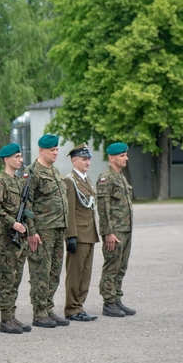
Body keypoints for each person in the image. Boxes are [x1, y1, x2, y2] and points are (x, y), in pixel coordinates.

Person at [0, 143, 32, 334]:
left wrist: (30, 231)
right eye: (17, 157)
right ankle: (5, 319)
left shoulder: (19, 182)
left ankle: (12, 316)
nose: (20, 160)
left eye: (21, 156)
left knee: (16, 279)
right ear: (7, 159)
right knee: (7, 279)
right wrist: (12, 222)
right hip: (8, 238)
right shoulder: (0, 182)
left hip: (20, 238)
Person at [27, 134, 70, 329]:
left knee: (54, 271)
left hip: (58, 228)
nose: (55, 152)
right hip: (42, 230)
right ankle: (39, 312)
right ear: (41, 150)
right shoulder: (33, 172)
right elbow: (27, 204)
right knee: (40, 272)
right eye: (52, 150)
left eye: (56, 149)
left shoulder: (55, 171)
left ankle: (48, 308)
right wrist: (31, 231)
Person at [96, 142, 135, 317]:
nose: (126, 158)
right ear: (112, 158)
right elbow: (103, 208)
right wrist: (108, 232)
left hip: (125, 229)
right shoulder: (106, 178)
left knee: (121, 266)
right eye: (122, 155)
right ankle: (109, 302)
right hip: (114, 231)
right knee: (112, 265)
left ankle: (117, 298)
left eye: (125, 155)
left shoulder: (121, 177)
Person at [64, 144, 99, 322]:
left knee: (85, 273)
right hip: (78, 234)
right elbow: (69, 209)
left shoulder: (86, 179)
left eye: (88, 159)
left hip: (89, 233)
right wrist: (71, 235)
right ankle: (71, 308)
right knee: (75, 273)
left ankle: (79, 306)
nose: (87, 162)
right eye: (83, 159)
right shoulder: (70, 181)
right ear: (74, 160)